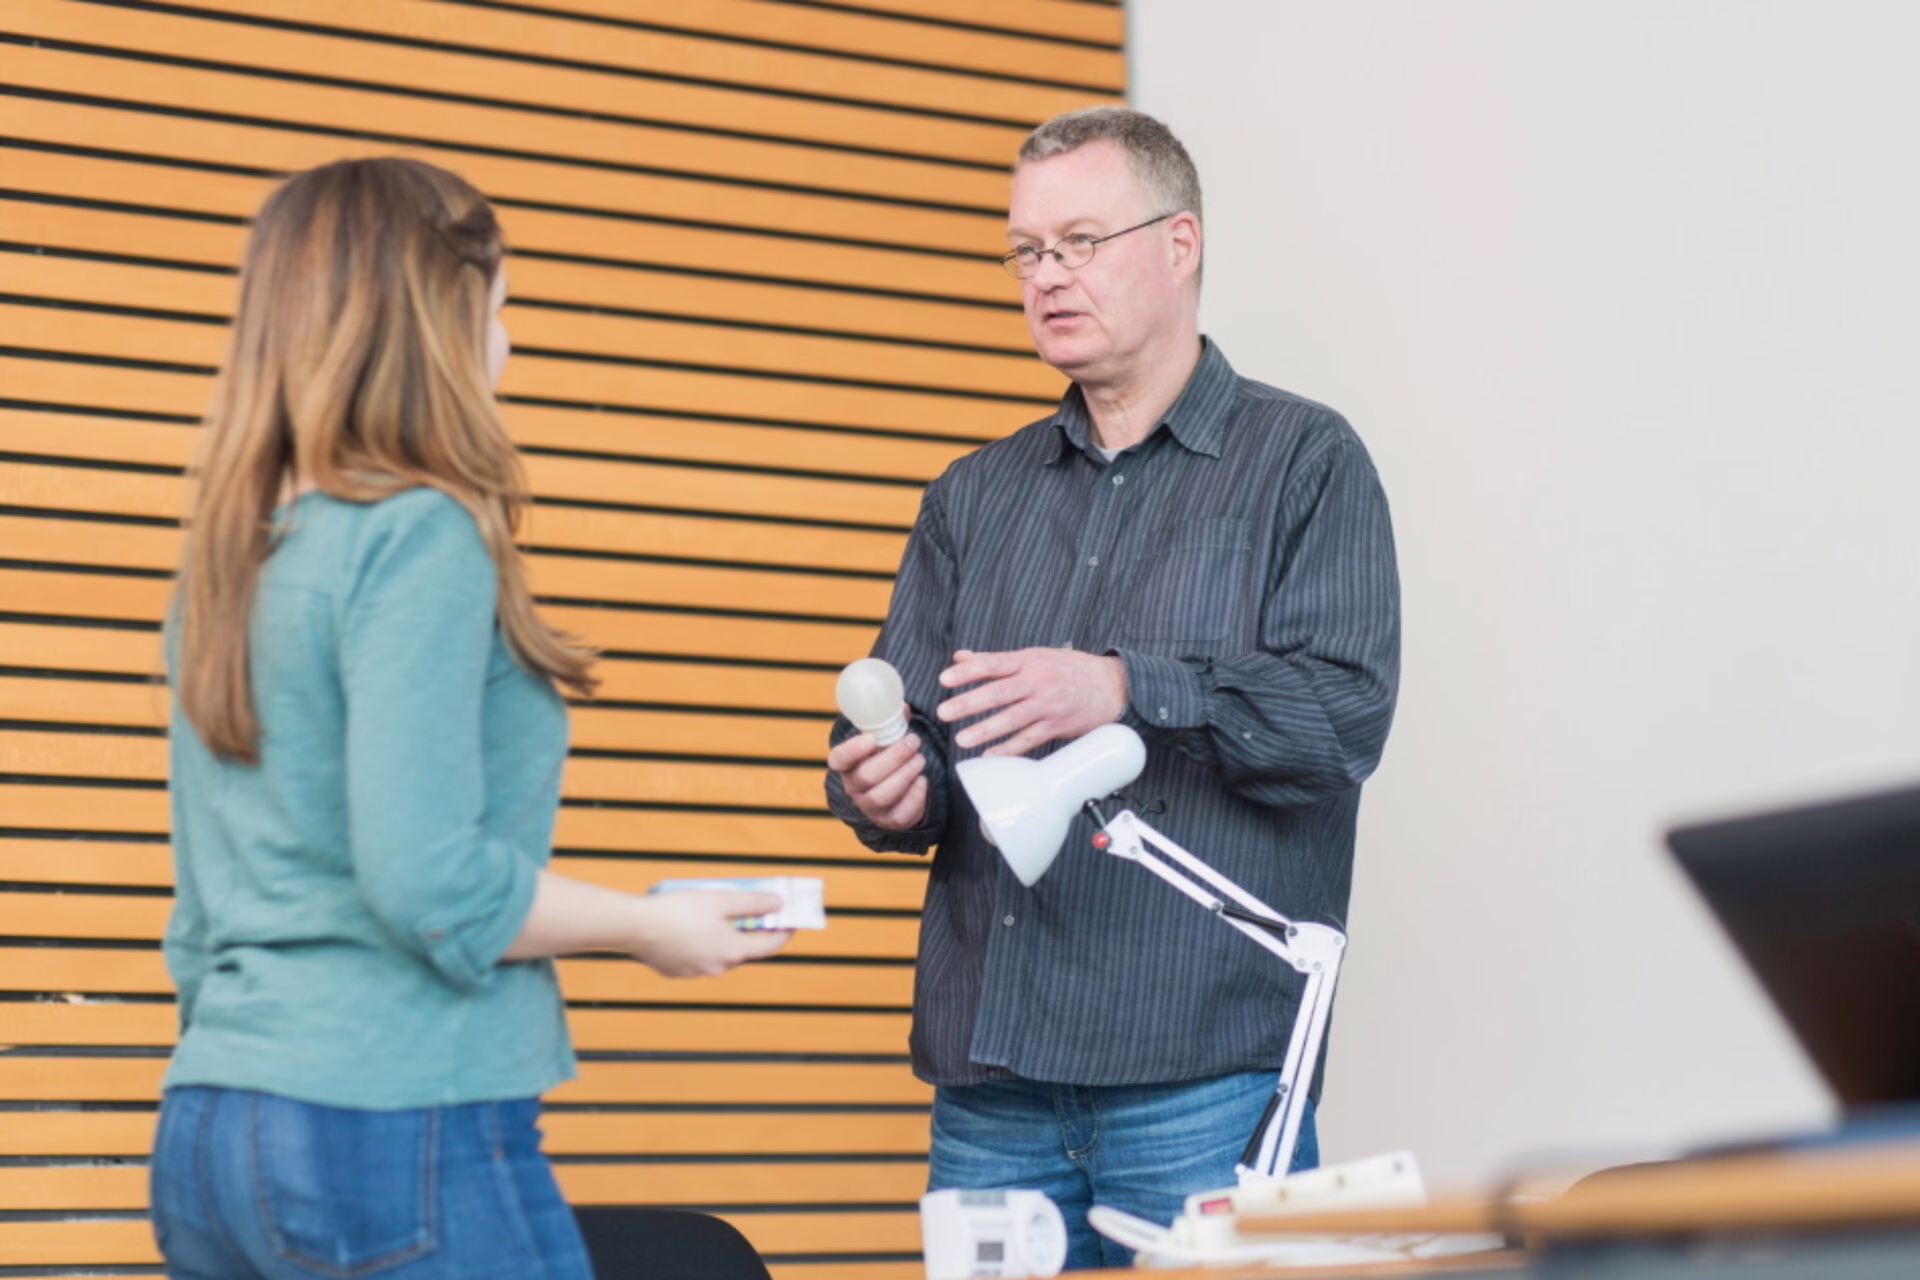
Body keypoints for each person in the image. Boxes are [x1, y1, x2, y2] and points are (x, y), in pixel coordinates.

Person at [150, 157, 792, 1280]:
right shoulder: (419, 533)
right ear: (435, 326)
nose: (506, 342)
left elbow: (200, 924)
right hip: (389, 1119)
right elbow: (429, 882)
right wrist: (651, 927)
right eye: (497, 308)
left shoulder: (232, 562)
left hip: (210, 1129)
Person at [825, 108, 1400, 1269]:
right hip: (991, 1089)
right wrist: (889, 785)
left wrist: (1129, 686)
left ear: (1180, 244)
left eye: (1080, 242)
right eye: (1026, 251)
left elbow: (1340, 719)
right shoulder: (974, 495)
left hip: (1204, 1080)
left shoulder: (1306, 461)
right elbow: (925, 743)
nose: (1047, 276)